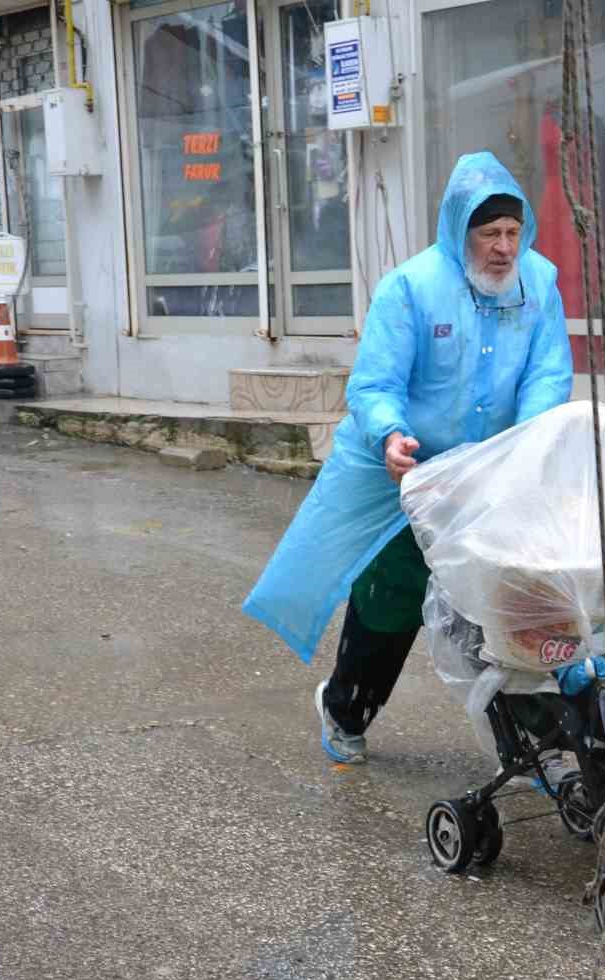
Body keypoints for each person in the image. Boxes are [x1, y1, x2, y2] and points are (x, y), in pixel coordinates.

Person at [243, 151, 574, 765]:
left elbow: (547, 374)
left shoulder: (539, 284)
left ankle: (536, 743)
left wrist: (527, 445)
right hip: (411, 474)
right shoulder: (412, 288)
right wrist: (390, 435)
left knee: (505, 609)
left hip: (490, 476)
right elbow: (375, 383)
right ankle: (346, 707)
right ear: (459, 231)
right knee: (392, 599)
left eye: (512, 232)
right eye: (489, 234)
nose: (504, 247)